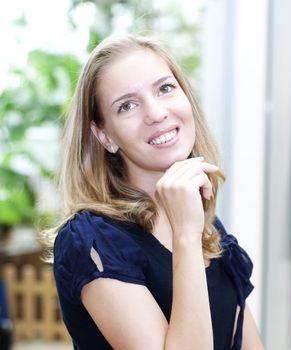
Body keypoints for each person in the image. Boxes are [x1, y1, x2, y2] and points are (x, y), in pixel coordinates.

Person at [44, 34, 264, 350]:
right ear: (105, 136)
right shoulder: (90, 241)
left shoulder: (208, 228)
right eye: (127, 105)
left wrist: (192, 228)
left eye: (165, 88)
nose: (157, 113)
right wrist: (186, 234)